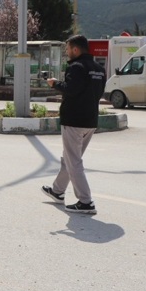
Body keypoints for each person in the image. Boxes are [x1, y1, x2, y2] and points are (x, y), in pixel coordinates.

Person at [42, 35, 106, 214]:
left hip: (74, 121)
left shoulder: (76, 67)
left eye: (68, 49)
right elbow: (98, 92)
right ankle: (57, 191)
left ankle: (85, 201)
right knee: (69, 159)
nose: (67, 53)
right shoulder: (99, 69)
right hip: (90, 120)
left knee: (74, 161)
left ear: (76, 50)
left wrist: (55, 83)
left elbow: (70, 89)